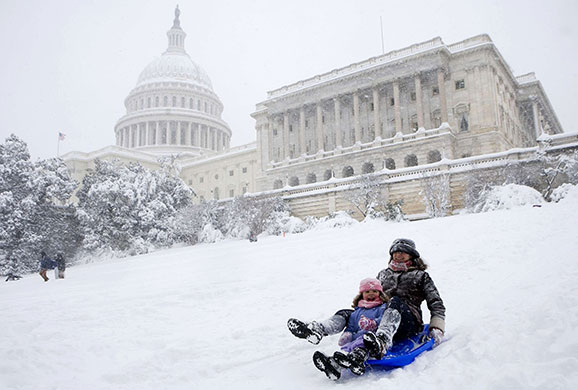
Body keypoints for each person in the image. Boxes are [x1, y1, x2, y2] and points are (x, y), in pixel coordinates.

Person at [288, 238, 446, 379]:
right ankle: (317, 329)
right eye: (395, 252)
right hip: (379, 319)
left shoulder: (420, 276)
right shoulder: (383, 274)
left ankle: (382, 342)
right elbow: (373, 296)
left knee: (395, 301)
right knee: (348, 313)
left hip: (407, 322)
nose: (398, 255)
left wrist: (437, 327)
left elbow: (436, 302)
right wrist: (359, 312)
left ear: (412, 255)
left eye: (403, 253)